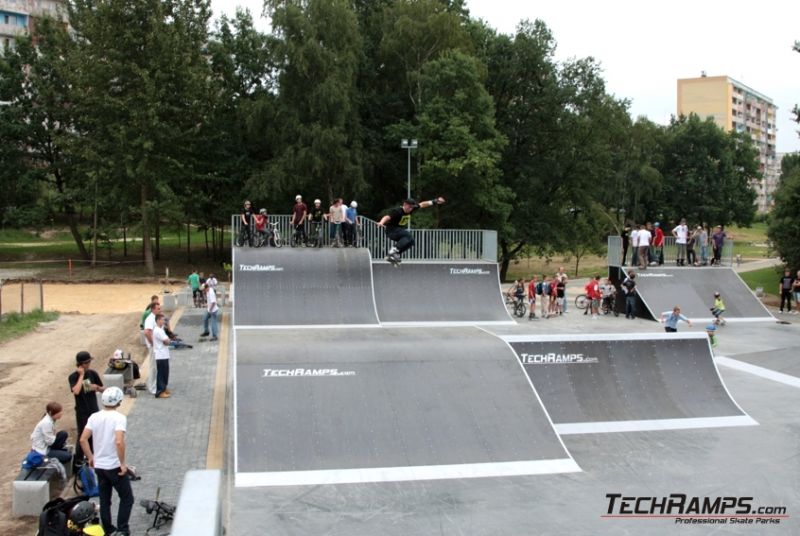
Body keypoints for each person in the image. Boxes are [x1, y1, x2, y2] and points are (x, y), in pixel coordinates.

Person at [80, 386, 133, 536]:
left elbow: (83, 439)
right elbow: (119, 442)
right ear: (119, 401)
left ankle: (108, 528)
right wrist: (122, 463)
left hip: (99, 466)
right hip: (113, 465)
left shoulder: (94, 417)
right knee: (127, 498)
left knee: (105, 499)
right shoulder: (119, 418)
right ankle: (123, 529)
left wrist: (91, 457)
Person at [378, 197, 445, 265]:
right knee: (408, 235)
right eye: (409, 207)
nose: (410, 209)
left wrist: (435, 201)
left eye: (412, 207)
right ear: (404, 204)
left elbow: (422, 204)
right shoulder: (397, 211)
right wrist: (381, 222)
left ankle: (395, 255)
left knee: (411, 241)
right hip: (391, 231)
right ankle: (392, 252)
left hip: (398, 231)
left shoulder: (412, 208)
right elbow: (387, 217)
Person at [69, 351, 104, 467]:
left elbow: (103, 388)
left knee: (95, 433)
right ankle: (78, 459)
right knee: (82, 435)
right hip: (82, 410)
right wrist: (81, 376)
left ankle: (94, 456)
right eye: (87, 362)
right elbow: (76, 391)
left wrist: (97, 388)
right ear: (80, 364)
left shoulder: (93, 373)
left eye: (89, 361)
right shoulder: (73, 376)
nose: (89, 364)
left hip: (93, 408)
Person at [143, 302, 161, 395]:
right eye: (158, 308)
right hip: (153, 346)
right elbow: (146, 332)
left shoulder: (154, 318)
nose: (159, 310)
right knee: (153, 367)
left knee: (155, 366)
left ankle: (154, 384)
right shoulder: (150, 319)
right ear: (153, 309)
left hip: (155, 346)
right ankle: (152, 387)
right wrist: (153, 343)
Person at [152, 313, 172, 398]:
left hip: (164, 355)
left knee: (165, 373)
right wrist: (168, 340)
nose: (164, 321)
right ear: (158, 320)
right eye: (162, 320)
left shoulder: (161, 329)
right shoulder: (158, 331)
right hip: (161, 355)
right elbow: (166, 341)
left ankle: (164, 388)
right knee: (161, 373)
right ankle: (160, 391)